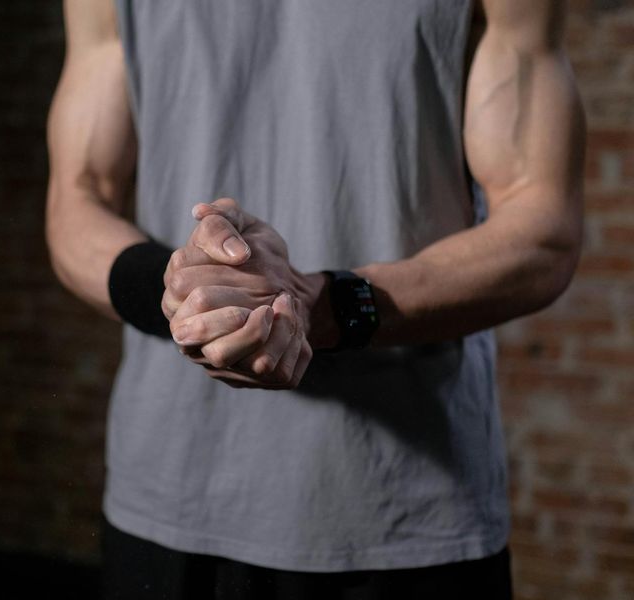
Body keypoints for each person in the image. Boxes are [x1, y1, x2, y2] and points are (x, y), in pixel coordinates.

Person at [45, 0, 584, 598]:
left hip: (403, 508)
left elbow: (543, 230)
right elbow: (76, 198)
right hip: (168, 499)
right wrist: (177, 292)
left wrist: (324, 305)